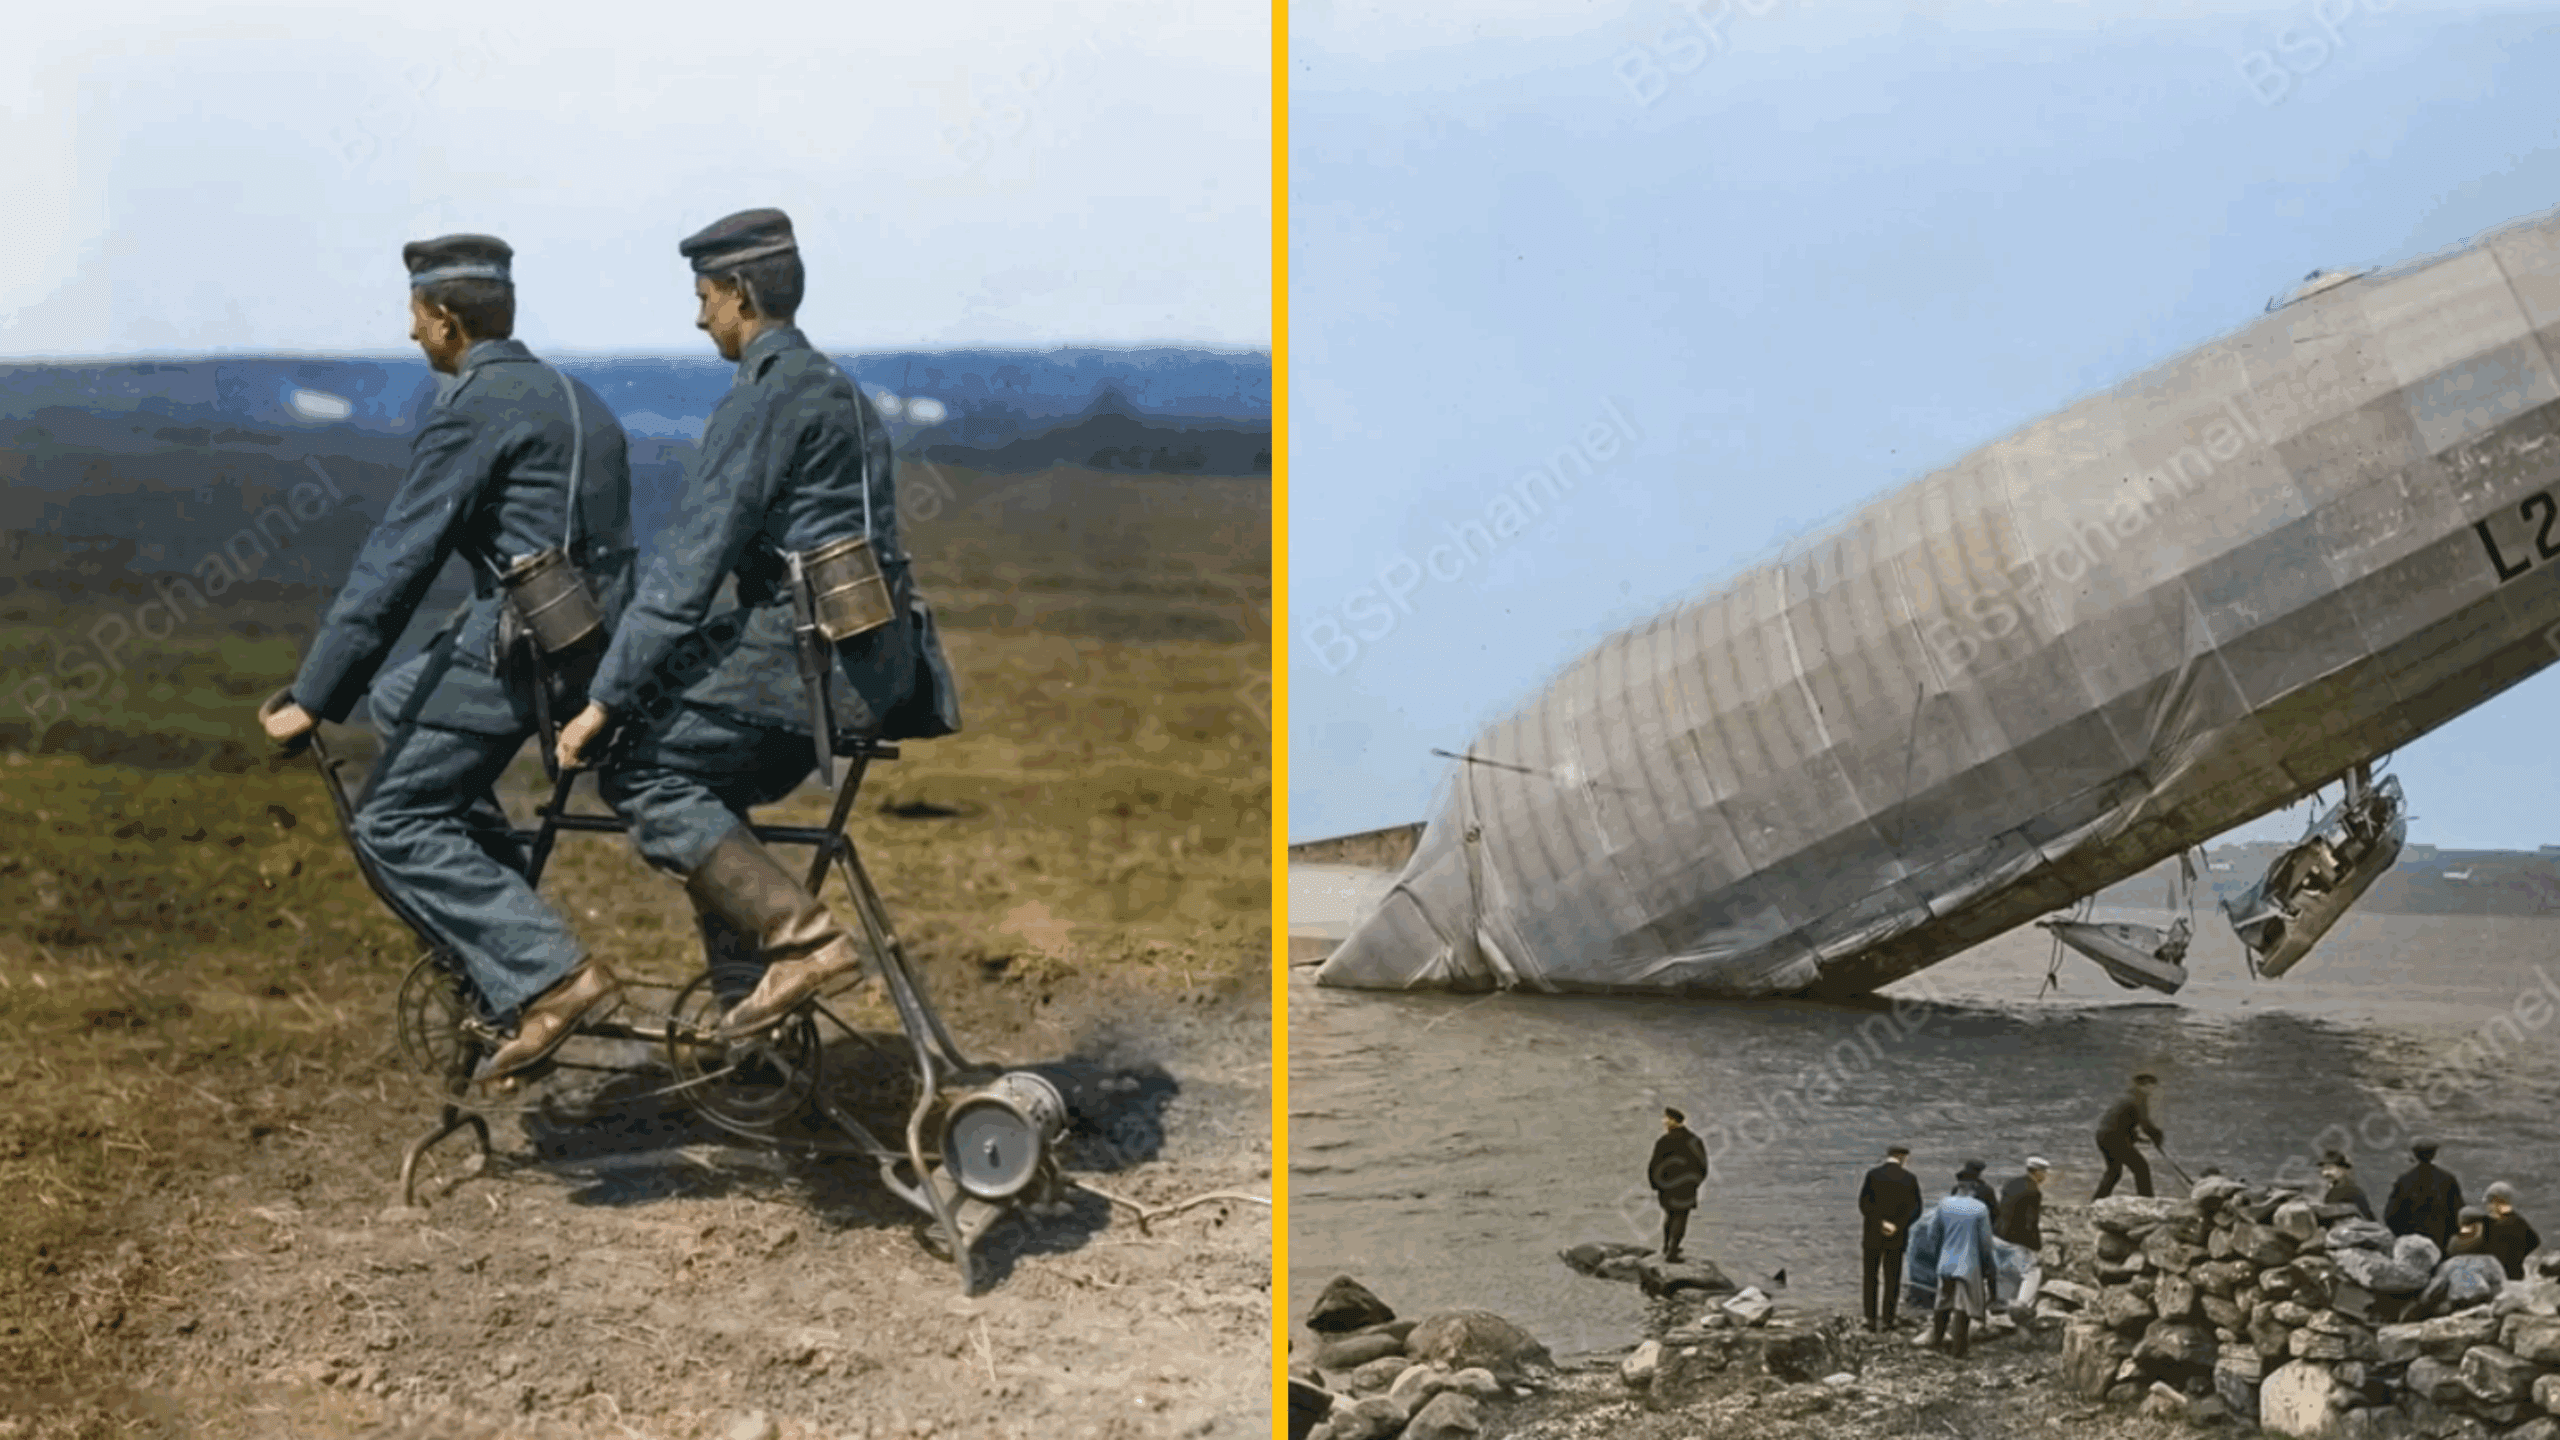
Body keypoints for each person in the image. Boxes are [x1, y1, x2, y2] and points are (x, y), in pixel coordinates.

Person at [559, 208, 960, 1039]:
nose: (699, 315)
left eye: (705, 296)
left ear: (740, 294)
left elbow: (685, 571)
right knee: (710, 782)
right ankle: (756, 1024)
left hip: (813, 664)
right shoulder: (840, 391)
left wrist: (603, 701)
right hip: (872, 661)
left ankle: (801, 943)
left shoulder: (765, 401)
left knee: (639, 768)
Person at [260, 233, 635, 1082]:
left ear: (443, 319)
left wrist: (314, 696)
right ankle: (500, 908)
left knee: (389, 824)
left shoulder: (474, 405)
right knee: (398, 700)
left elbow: (400, 557)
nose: (410, 336)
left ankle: (549, 975)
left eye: (414, 318)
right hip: (590, 650)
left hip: (523, 655)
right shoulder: (579, 398)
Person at [1857, 1144, 1922, 1333]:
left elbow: (1864, 1204)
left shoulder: (1873, 1175)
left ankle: (1870, 1318)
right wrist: (1897, 1225)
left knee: (1870, 1277)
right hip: (1897, 1236)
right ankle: (1888, 1319)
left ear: (1889, 1156)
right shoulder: (1909, 1179)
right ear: (1903, 1158)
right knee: (1892, 1278)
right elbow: (1916, 1209)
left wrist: (1880, 1223)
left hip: (1872, 1235)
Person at [1929, 1180, 1996, 1359]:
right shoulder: (1979, 1208)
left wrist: (1937, 1256)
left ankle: (1937, 1340)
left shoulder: (1944, 1204)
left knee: (1943, 1300)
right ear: (1972, 1192)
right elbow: (1986, 1243)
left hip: (1945, 1260)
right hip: (1967, 1263)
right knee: (1962, 1306)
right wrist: (1988, 1267)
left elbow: (1933, 1234)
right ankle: (1959, 1350)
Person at [1648, 1108, 1710, 1263]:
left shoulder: (1664, 1141)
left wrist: (1656, 1185)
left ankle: (1666, 1247)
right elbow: (1703, 1166)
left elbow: (1654, 1166)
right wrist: (1695, 1183)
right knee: (1681, 1218)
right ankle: (1673, 1249)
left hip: (1667, 1187)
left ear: (1673, 1121)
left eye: (1666, 1119)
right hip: (1687, 1187)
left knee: (1669, 1216)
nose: (1663, 1121)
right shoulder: (1694, 1140)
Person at [2092, 1072, 2165, 1200]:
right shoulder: (2139, 1098)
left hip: (2103, 1136)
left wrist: (2138, 1138)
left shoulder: (2128, 1097)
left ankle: (2097, 1201)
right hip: (2114, 1138)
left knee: (2114, 1172)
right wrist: (2156, 1135)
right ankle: (2147, 1201)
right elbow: (2145, 1124)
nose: (2152, 1089)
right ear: (2144, 1086)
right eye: (2151, 1086)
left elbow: (2122, 1122)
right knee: (2141, 1168)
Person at [2386, 1141, 2466, 1251]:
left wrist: (2403, 1236)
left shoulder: (2405, 1180)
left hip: (2411, 1244)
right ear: (2434, 1154)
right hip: (2440, 1242)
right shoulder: (2447, 1179)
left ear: (2415, 1154)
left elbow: (2391, 1215)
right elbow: (2457, 1213)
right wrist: (2449, 1237)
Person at [2479, 1182, 2541, 1281]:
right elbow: (2534, 1242)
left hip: (2500, 1279)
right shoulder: (2520, 1222)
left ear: (2498, 1201)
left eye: (2490, 1202)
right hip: (2517, 1277)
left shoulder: (2493, 1226)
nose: (2488, 1206)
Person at [1997, 1158, 2049, 1252]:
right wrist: (2036, 1245)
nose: (2045, 1176)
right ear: (2037, 1172)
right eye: (2044, 1172)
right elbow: (2032, 1220)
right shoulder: (2033, 1191)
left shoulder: (2012, 1182)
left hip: (2000, 1232)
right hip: (2016, 1237)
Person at [2320, 1150, 2374, 1221]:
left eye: (2330, 1168)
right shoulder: (2338, 1187)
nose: (2325, 1173)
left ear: (2342, 1169)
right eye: (2324, 1169)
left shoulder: (2345, 1190)